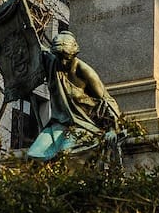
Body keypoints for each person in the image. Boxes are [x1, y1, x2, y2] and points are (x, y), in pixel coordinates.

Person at [26, 31, 120, 160]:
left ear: (75, 53)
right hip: (60, 124)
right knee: (34, 155)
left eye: (67, 57)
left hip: (85, 124)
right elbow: (34, 46)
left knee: (66, 154)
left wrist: (113, 128)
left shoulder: (84, 71)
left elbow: (106, 100)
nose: (63, 62)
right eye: (59, 57)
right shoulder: (51, 62)